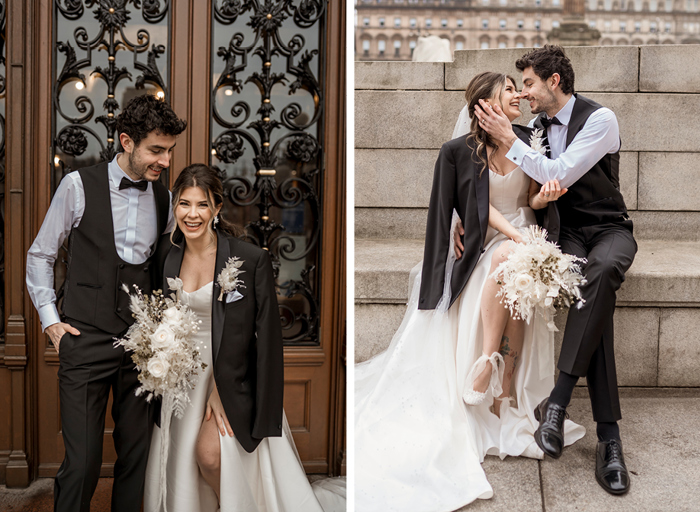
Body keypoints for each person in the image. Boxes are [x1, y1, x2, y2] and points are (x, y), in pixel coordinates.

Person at [354, 72, 584, 512]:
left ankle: (506, 389)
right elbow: (469, 210)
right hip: (486, 243)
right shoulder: (457, 152)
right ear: (486, 105)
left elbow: (533, 199)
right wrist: (513, 239)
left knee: (518, 266)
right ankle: (487, 365)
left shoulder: (529, 139)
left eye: (520, 88)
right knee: (505, 261)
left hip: (527, 234)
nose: (518, 95)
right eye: (509, 91)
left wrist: (543, 199)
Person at [473, 45, 637, 495]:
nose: (523, 94)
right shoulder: (534, 129)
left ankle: (559, 403)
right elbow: (504, 184)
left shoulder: (601, 120)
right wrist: (463, 222)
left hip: (608, 230)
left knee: (600, 273)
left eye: (528, 83)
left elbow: (559, 172)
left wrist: (511, 140)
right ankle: (610, 440)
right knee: (594, 295)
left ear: (554, 81)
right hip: (565, 236)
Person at [144, 164, 344, 512]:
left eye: (202, 205)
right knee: (183, 459)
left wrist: (224, 388)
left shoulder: (248, 259)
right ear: (175, 206)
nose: (192, 214)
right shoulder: (166, 253)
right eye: (185, 204)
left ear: (217, 208)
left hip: (231, 376)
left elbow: (263, 336)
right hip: (181, 377)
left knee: (208, 454)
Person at [26, 95, 186, 512]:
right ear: (126, 141)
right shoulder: (77, 186)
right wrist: (51, 322)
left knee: (136, 460)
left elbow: (172, 263)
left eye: (169, 150)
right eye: (156, 149)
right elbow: (40, 254)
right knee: (82, 464)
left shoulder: (165, 200)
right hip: (85, 338)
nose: (165, 160)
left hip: (142, 349)